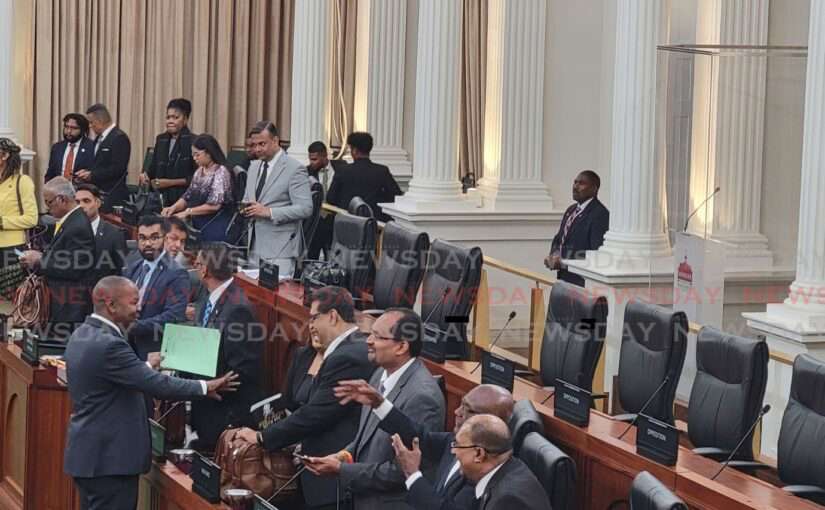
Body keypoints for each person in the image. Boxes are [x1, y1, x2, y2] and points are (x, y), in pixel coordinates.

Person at [63, 275, 239, 510]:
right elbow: (157, 385)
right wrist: (205, 387)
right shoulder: (109, 344)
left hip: (91, 456)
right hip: (110, 462)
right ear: (111, 305)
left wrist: (145, 366)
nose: (139, 309)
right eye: (133, 302)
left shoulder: (82, 333)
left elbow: (114, 380)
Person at [235, 286, 375, 510]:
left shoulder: (348, 355)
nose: (310, 325)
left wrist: (262, 437)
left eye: (314, 318)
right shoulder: (343, 349)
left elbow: (316, 414)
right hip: (313, 474)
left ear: (332, 316)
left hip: (331, 482)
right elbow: (296, 405)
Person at [303, 308, 445, 510]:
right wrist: (342, 456)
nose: (368, 341)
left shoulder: (422, 397)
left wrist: (342, 469)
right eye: (370, 334)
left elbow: (402, 470)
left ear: (401, 346)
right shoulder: (379, 374)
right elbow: (365, 439)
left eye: (377, 336)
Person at [334, 382, 514, 510]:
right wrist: (379, 404)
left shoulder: (483, 469)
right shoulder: (457, 440)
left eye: (468, 410)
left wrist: (412, 473)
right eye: (461, 404)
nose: (457, 412)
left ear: (491, 422)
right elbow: (420, 437)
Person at [188, 243, 264, 450]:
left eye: (197, 264)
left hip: (225, 412)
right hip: (204, 402)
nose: (195, 267)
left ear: (204, 270)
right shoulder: (206, 295)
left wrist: (210, 385)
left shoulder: (239, 309)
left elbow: (241, 370)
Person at [19, 177, 95, 339]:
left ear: (62, 199)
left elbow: (75, 267)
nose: (47, 208)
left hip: (68, 307)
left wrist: (39, 260)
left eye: (49, 202)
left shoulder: (78, 225)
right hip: (59, 302)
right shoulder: (71, 220)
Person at [242, 121, 312, 273]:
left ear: (275, 141)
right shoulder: (253, 166)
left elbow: (305, 208)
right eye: (254, 145)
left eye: (262, 144)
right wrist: (244, 208)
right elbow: (249, 198)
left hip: (281, 250)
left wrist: (269, 212)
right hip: (253, 245)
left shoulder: (295, 168)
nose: (257, 149)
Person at [447, 415, 551, 510]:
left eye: (458, 445)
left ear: (479, 454)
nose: (453, 451)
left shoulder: (507, 500)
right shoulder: (509, 470)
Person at [124, 216, 190, 360]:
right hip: (126, 346)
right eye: (142, 238)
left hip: (153, 351)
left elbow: (173, 316)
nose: (147, 243)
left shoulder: (177, 273)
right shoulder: (133, 266)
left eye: (154, 238)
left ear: (165, 239)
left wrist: (135, 327)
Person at [161, 134, 234, 243]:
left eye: (197, 155)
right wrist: (173, 207)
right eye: (193, 155)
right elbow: (188, 195)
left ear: (209, 153)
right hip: (197, 221)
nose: (194, 158)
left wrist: (188, 212)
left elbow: (214, 206)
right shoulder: (200, 171)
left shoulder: (221, 172)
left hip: (215, 224)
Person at [544, 170, 609, 287]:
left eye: (581, 183)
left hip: (581, 282)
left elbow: (596, 253)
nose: (575, 187)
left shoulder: (600, 214)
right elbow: (559, 239)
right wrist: (553, 256)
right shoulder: (571, 210)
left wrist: (564, 262)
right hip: (563, 279)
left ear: (594, 189)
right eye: (575, 182)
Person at [326, 132, 402, 223]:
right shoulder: (382, 171)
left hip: (347, 222)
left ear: (354, 150)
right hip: (374, 223)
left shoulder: (342, 170)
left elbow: (331, 198)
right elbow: (396, 195)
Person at [142, 98, 197, 207]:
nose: (170, 121)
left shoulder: (194, 141)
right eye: (168, 117)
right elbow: (152, 169)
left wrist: (169, 183)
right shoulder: (161, 139)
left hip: (183, 199)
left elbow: (198, 178)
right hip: (159, 198)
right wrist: (145, 176)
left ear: (185, 120)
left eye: (175, 117)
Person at [77, 103, 131, 212]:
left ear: (100, 120)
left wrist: (92, 175)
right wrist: (87, 172)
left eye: (91, 122)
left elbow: (118, 169)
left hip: (111, 195)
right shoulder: (99, 138)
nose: (90, 126)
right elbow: (99, 164)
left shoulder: (119, 138)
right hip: (97, 193)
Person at [76, 183, 127, 280]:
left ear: (98, 203)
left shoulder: (114, 234)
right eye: (77, 202)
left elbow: (121, 272)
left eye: (86, 201)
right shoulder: (66, 230)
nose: (81, 206)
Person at [0, 138, 37, 269]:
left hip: (11, 247)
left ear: (5, 156)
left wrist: (2, 222)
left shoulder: (22, 181)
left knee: (9, 282)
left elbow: (31, 219)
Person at [306, 141, 347, 260]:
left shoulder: (342, 168)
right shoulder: (306, 172)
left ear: (324, 156)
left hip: (335, 221)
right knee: (312, 257)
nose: (311, 163)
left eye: (314, 159)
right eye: (310, 159)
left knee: (334, 258)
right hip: (316, 223)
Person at [45, 113, 96, 182]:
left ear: (82, 130)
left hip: (82, 187)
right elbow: (50, 174)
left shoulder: (92, 147)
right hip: (59, 187)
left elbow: (96, 173)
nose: (68, 131)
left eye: (74, 128)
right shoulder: (57, 147)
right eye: (66, 127)